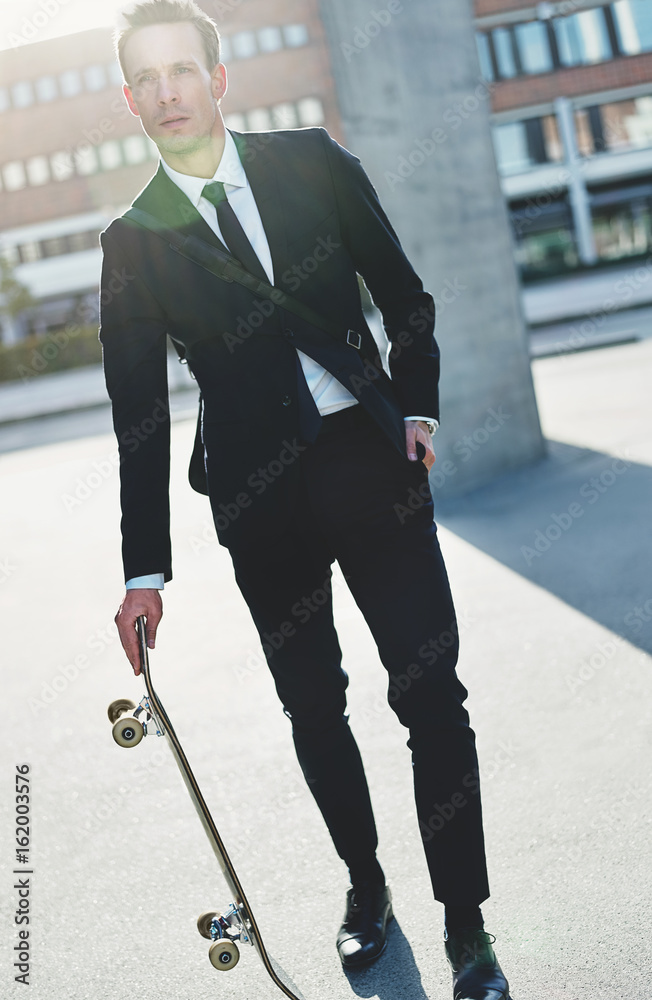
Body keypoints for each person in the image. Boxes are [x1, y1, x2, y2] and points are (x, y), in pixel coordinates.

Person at [101, 2, 511, 996]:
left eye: (182, 71)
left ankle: (468, 930)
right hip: (260, 503)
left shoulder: (311, 164)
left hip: (372, 468)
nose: (167, 93)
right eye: (147, 79)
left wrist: (418, 408)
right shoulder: (135, 240)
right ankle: (364, 889)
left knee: (431, 697)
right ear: (129, 100)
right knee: (312, 709)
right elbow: (140, 418)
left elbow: (402, 296)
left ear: (217, 78)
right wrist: (143, 571)